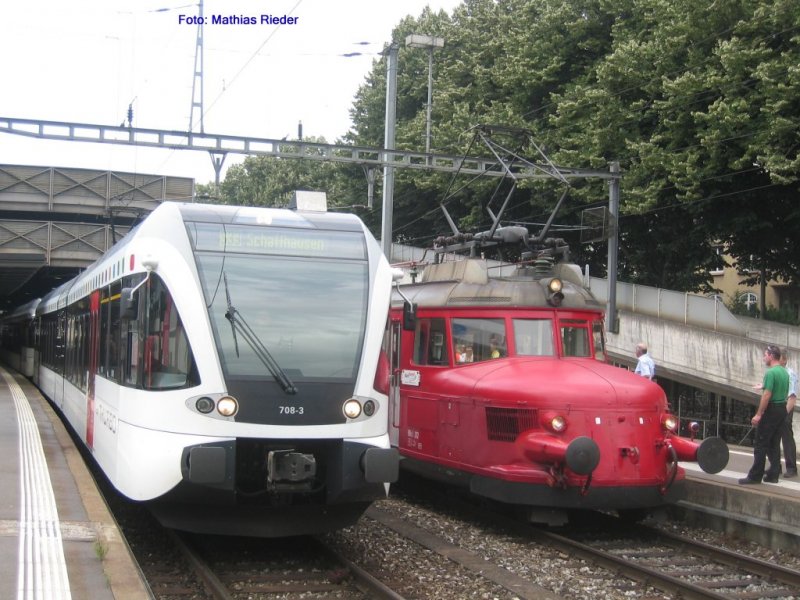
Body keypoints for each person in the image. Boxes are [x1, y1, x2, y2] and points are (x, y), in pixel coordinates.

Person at [739, 345, 790, 485]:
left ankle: (755, 476)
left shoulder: (770, 372)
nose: (764, 357)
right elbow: (779, 388)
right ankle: (773, 474)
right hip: (782, 408)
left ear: (771, 356)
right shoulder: (784, 372)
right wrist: (763, 385)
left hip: (771, 409)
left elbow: (767, 395)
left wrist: (758, 414)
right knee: (774, 442)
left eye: (765, 355)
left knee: (761, 444)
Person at [779, 349, 797, 478]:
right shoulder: (775, 373)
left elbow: (792, 397)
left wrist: (784, 413)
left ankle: (791, 467)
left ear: (784, 360)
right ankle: (775, 466)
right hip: (775, 406)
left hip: (785, 408)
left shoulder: (790, 374)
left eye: (777, 358)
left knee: (786, 437)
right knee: (772, 437)